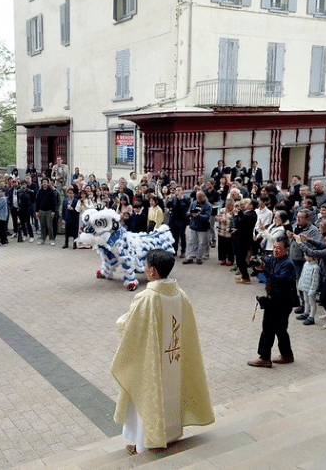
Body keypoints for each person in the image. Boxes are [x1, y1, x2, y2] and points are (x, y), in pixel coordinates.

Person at [111, 249, 214, 455]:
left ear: (152, 272)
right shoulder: (181, 295)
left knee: (147, 396)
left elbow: (130, 326)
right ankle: (170, 435)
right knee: (172, 394)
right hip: (174, 358)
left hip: (152, 362)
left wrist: (119, 322)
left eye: (146, 265)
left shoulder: (147, 298)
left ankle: (143, 443)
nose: (144, 268)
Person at [247, 238, 297, 367]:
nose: (275, 250)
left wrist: (264, 271)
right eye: (274, 247)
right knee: (280, 329)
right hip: (274, 297)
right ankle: (287, 355)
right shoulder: (272, 259)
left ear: (287, 250)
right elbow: (263, 280)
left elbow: (280, 281)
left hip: (283, 300)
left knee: (268, 328)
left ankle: (264, 357)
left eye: (279, 248)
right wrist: (259, 269)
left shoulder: (288, 264)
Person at [183, 191, 212, 265]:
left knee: (201, 243)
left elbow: (207, 216)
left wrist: (199, 216)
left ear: (203, 197)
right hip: (193, 226)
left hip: (203, 227)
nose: (199, 199)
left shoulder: (208, 205)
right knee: (191, 242)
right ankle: (189, 257)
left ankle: (199, 257)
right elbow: (188, 211)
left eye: (200, 198)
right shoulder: (193, 203)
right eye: (197, 198)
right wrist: (190, 213)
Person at [296, 253, 321, 326]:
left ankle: (311, 317)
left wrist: (313, 290)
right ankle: (306, 312)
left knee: (312, 303)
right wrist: (300, 285)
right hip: (305, 287)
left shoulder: (316, 267)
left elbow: (315, 280)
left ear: (311, 257)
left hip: (311, 289)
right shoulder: (306, 264)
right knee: (306, 300)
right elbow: (302, 275)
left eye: (306, 255)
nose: (304, 256)